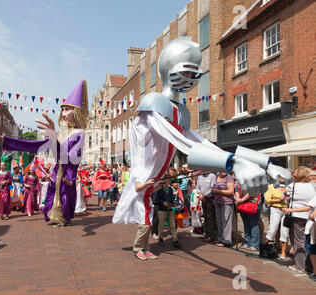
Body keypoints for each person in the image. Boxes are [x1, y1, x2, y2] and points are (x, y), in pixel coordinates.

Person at [112, 37, 291, 261]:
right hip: (145, 178)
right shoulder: (153, 103)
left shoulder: (180, 110)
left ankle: (142, 247)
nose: (190, 80)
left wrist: (265, 163)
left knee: (147, 217)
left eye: (195, 75)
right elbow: (181, 141)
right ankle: (141, 248)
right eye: (186, 71)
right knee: (146, 216)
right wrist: (236, 163)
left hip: (152, 181)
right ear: (168, 69)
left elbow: (200, 141)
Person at [0, 80, 88, 227]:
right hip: (56, 173)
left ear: (76, 112)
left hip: (67, 175)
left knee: (65, 199)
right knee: (53, 199)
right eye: (63, 109)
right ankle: (57, 217)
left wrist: (54, 138)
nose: (64, 113)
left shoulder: (79, 133)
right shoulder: (61, 133)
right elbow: (36, 146)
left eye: (68, 109)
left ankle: (64, 217)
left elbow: (69, 157)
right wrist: (3, 139)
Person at [282, 166, 316, 273]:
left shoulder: (293, 186)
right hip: (310, 214)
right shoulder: (312, 186)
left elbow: (285, 194)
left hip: (297, 215)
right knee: (309, 241)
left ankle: (299, 266)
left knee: (298, 241)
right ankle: (310, 267)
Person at [264, 178, 289, 260]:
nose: (281, 177)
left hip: (286, 211)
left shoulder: (289, 186)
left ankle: (283, 253)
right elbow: (267, 199)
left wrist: (288, 199)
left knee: (284, 231)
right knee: (272, 230)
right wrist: (279, 200)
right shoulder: (271, 186)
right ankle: (266, 250)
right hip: (276, 210)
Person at [235, 178, 261, 252]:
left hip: (252, 203)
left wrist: (241, 199)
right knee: (246, 224)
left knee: (253, 225)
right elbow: (236, 189)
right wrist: (238, 199)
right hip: (242, 204)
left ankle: (254, 245)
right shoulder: (239, 178)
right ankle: (247, 242)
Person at [212, 171, 235, 247]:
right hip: (217, 202)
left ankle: (226, 240)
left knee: (226, 221)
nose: (224, 171)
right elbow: (212, 188)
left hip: (226, 202)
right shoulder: (216, 176)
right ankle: (220, 238)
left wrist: (218, 191)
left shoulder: (229, 178)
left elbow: (231, 191)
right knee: (219, 221)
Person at [197, 171, 217, 243]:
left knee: (210, 217)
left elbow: (212, 188)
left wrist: (205, 195)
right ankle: (207, 234)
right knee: (205, 216)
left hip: (209, 198)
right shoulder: (200, 176)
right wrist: (200, 195)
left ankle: (212, 236)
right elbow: (197, 187)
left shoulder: (212, 175)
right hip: (202, 198)